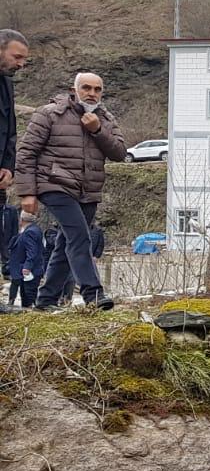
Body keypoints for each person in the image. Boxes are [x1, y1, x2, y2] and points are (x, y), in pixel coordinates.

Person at [15, 71, 126, 311]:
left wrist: (97, 130)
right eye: (86, 88)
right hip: (54, 184)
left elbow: (119, 153)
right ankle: (93, 294)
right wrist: (27, 193)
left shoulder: (105, 119)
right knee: (80, 237)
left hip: (89, 191)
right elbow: (26, 153)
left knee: (67, 246)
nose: (92, 93)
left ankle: (45, 300)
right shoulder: (49, 114)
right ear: (74, 90)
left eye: (97, 89)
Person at [0, 29, 27, 218]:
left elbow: (10, 131)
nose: (21, 64)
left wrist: (8, 167)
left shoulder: (7, 84)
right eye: (17, 57)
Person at [6, 209, 42, 308]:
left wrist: (27, 267)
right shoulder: (33, 229)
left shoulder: (30, 232)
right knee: (26, 295)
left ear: (22, 219)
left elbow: (32, 251)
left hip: (29, 270)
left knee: (28, 297)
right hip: (26, 269)